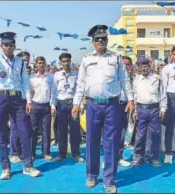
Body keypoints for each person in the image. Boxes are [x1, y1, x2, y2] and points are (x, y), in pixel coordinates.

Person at [72, 25, 134, 193]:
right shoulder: (86, 59)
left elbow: (124, 79)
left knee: (111, 143)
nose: (101, 41)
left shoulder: (116, 58)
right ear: (92, 42)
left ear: (107, 41)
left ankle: (109, 179)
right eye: (97, 39)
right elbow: (81, 83)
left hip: (112, 105)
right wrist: (76, 103)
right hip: (92, 105)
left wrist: (131, 99)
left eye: (104, 39)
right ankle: (92, 175)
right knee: (92, 141)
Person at [0, 32, 41, 180]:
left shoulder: (20, 62)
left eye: (11, 45)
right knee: (2, 134)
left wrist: (29, 101)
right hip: (1, 98)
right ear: (1, 46)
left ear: (14, 46)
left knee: (25, 132)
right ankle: (5, 167)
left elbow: (25, 83)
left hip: (17, 99)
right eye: (5, 45)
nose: (8, 47)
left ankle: (28, 165)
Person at [51, 53, 84, 163]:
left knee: (75, 129)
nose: (65, 63)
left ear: (70, 61)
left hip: (73, 104)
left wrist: (81, 105)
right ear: (61, 62)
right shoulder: (56, 75)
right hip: (61, 104)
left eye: (67, 61)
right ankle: (62, 154)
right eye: (63, 61)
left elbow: (80, 90)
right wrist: (53, 106)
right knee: (62, 130)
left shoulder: (76, 74)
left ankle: (76, 153)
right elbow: (54, 91)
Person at [132, 58, 165, 167]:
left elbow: (162, 94)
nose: (144, 68)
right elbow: (134, 96)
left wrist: (163, 108)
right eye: (141, 66)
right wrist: (135, 111)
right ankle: (138, 157)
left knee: (155, 134)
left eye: (146, 66)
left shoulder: (157, 78)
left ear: (149, 67)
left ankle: (153, 157)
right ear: (139, 68)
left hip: (154, 109)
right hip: (141, 109)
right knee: (140, 135)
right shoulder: (136, 80)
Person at [9, 51, 32, 163]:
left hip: (29, 102)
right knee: (15, 128)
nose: (25, 62)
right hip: (17, 101)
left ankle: (25, 152)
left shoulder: (31, 73)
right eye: (23, 59)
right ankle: (14, 152)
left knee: (26, 129)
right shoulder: (13, 72)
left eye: (27, 59)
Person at [29, 56, 53, 161]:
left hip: (46, 106)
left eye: (43, 63)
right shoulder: (31, 78)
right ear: (36, 65)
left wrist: (52, 106)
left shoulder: (50, 77)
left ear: (45, 64)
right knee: (33, 130)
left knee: (46, 130)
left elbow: (53, 92)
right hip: (34, 106)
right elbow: (28, 92)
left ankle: (46, 152)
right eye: (39, 63)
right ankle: (32, 153)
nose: (41, 65)